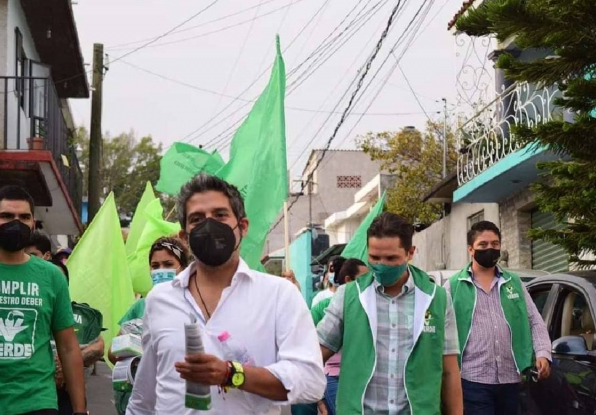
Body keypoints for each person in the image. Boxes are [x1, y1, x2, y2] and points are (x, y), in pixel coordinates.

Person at [126, 173, 325, 414]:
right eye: (197, 219)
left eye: (220, 215)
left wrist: (233, 374)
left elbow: (311, 382)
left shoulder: (279, 295)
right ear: (184, 238)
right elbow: (145, 393)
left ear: (242, 227)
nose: (209, 227)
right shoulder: (160, 300)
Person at [317, 212, 463, 414]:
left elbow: (449, 371)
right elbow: (318, 351)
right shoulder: (348, 296)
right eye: (374, 257)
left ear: (410, 253)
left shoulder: (437, 299)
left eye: (391, 258)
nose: (381, 265)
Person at [0, 185, 87, 414]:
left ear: (33, 223)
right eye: (7, 216)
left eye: (24, 217)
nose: (16, 223)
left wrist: (80, 410)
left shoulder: (51, 276)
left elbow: (68, 347)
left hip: (38, 402)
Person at [445, 221, 552, 415]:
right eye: (483, 245)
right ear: (471, 249)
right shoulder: (453, 286)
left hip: (512, 379)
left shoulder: (514, 283)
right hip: (473, 380)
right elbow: (443, 331)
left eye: (495, 244)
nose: (490, 249)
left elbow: (534, 320)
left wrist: (543, 352)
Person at [108, 236, 190, 415]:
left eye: (168, 264)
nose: (161, 270)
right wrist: (137, 353)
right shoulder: (141, 306)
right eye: (155, 266)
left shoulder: (195, 306)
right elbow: (112, 353)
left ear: (183, 268)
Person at [312, 258, 368, 415]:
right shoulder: (322, 306)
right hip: (335, 376)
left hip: (360, 379)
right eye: (364, 280)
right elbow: (315, 352)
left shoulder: (371, 306)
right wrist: (319, 397)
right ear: (348, 280)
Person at [49, 258, 105, 415]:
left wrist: (68, 364)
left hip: (68, 396)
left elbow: (100, 347)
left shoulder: (79, 315)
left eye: (58, 279)